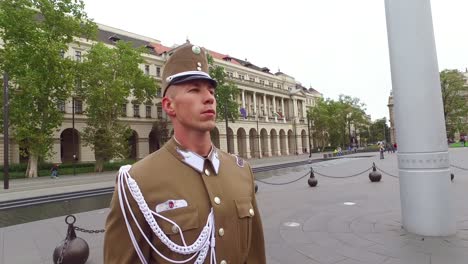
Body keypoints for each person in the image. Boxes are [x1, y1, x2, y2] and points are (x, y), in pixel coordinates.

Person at [103, 43, 266, 264]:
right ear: (169, 106)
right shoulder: (137, 182)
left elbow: (255, 255)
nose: (209, 98)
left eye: (211, 91)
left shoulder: (240, 171)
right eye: (194, 89)